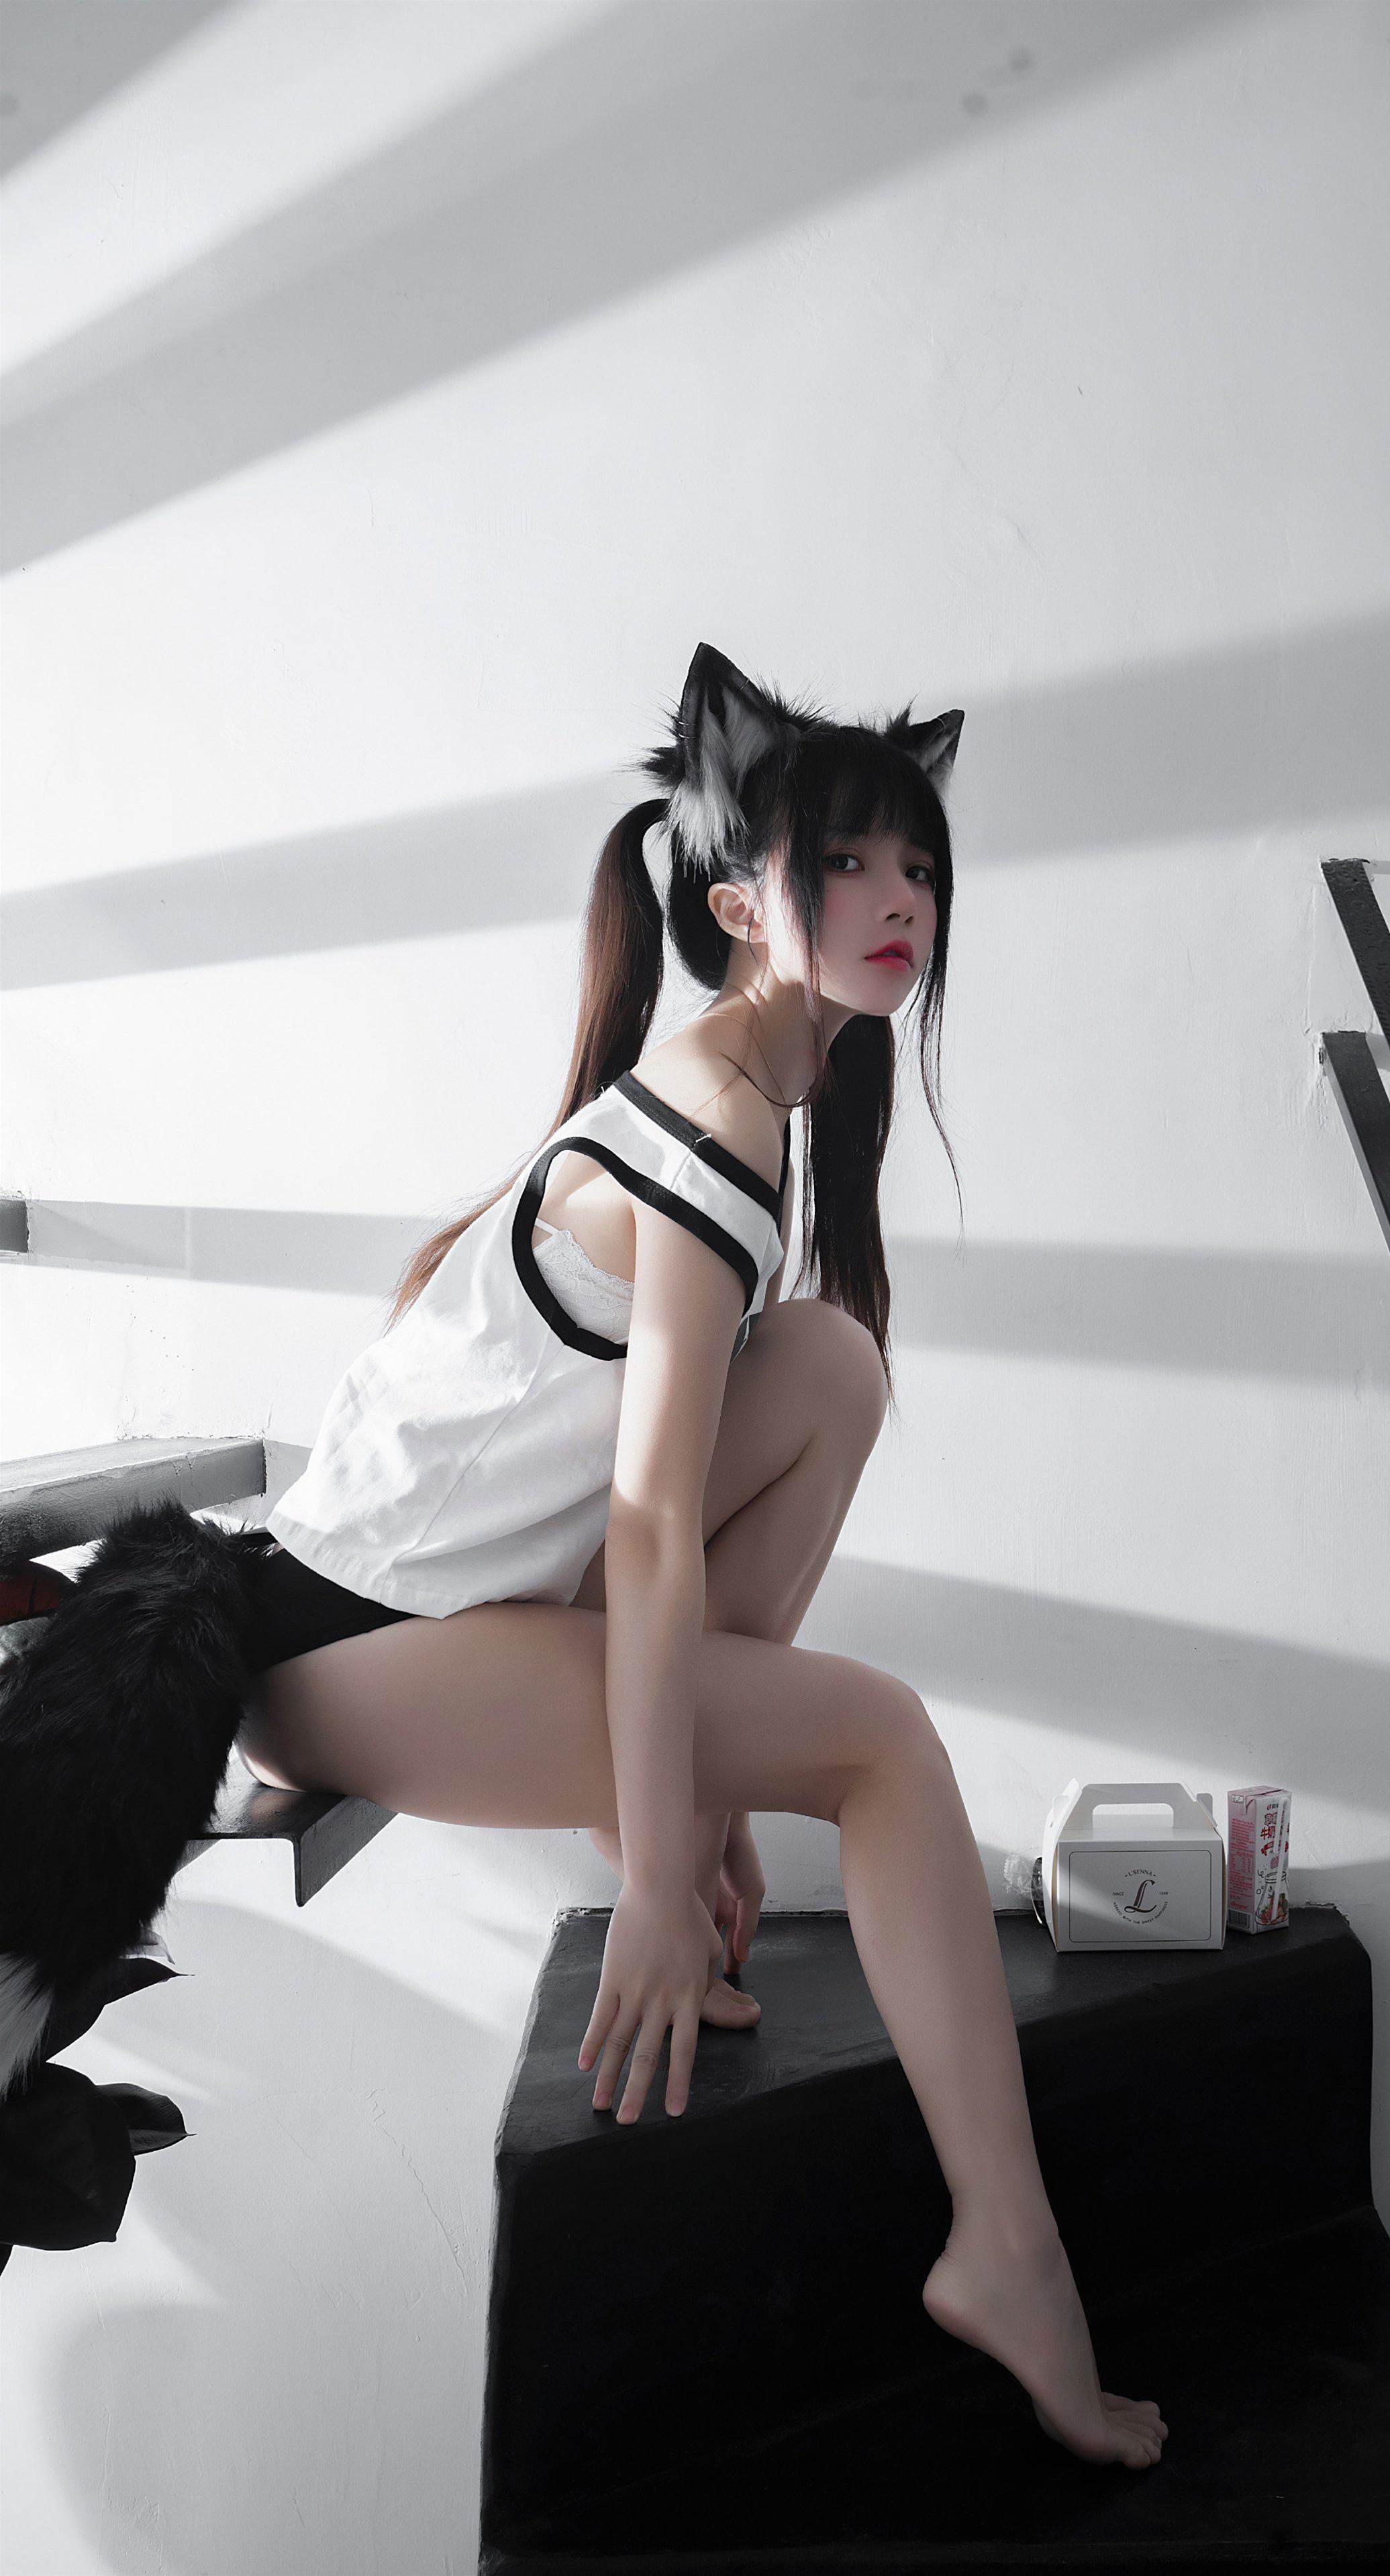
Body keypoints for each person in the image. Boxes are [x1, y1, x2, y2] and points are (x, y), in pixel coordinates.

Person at [30, 641, 1168, 2470]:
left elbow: (678, 1489)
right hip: (333, 1650)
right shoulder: (713, 1124)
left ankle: (681, 1826)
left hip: (423, 1614)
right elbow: (647, 1526)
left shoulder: (739, 1103)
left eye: (919, 863)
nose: (900, 898)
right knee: (882, 1742)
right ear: (738, 903)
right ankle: (1006, 2253)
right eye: (847, 863)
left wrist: (693, 1794)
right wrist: (657, 1870)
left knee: (833, 1366)